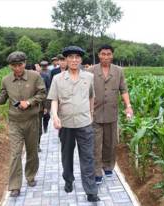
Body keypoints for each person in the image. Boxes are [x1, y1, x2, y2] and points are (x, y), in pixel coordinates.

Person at [0, 51, 46, 197]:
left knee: (32, 151)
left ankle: (30, 175)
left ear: (25, 63)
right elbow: (3, 98)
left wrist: (28, 102)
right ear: (10, 66)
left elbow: (42, 93)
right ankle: (15, 185)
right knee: (15, 154)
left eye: (20, 65)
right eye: (14, 66)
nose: (17, 68)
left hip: (32, 120)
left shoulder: (35, 77)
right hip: (15, 122)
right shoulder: (6, 80)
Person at [47, 46, 100, 202]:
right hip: (66, 124)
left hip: (84, 123)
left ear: (81, 60)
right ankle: (68, 180)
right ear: (66, 60)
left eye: (77, 57)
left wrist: (91, 114)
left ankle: (91, 190)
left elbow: (91, 96)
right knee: (67, 156)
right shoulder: (58, 79)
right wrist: (55, 116)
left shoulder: (88, 77)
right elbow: (54, 99)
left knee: (88, 157)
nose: (74, 60)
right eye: (71, 57)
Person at [88, 44, 134, 184]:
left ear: (112, 55)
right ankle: (97, 172)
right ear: (99, 55)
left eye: (108, 54)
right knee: (96, 144)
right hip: (94, 113)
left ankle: (108, 166)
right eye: (103, 54)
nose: (106, 56)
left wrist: (128, 106)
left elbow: (123, 90)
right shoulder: (91, 71)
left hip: (111, 113)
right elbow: (86, 92)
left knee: (110, 142)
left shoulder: (119, 71)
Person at [38, 61, 51, 144]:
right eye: (42, 66)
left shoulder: (46, 75)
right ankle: (37, 144)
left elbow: (48, 88)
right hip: (36, 104)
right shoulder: (34, 76)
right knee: (38, 127)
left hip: (45, 99)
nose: (44, 67)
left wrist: (47, 103)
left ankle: (45, 125)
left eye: (45, 65)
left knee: (47, 115)